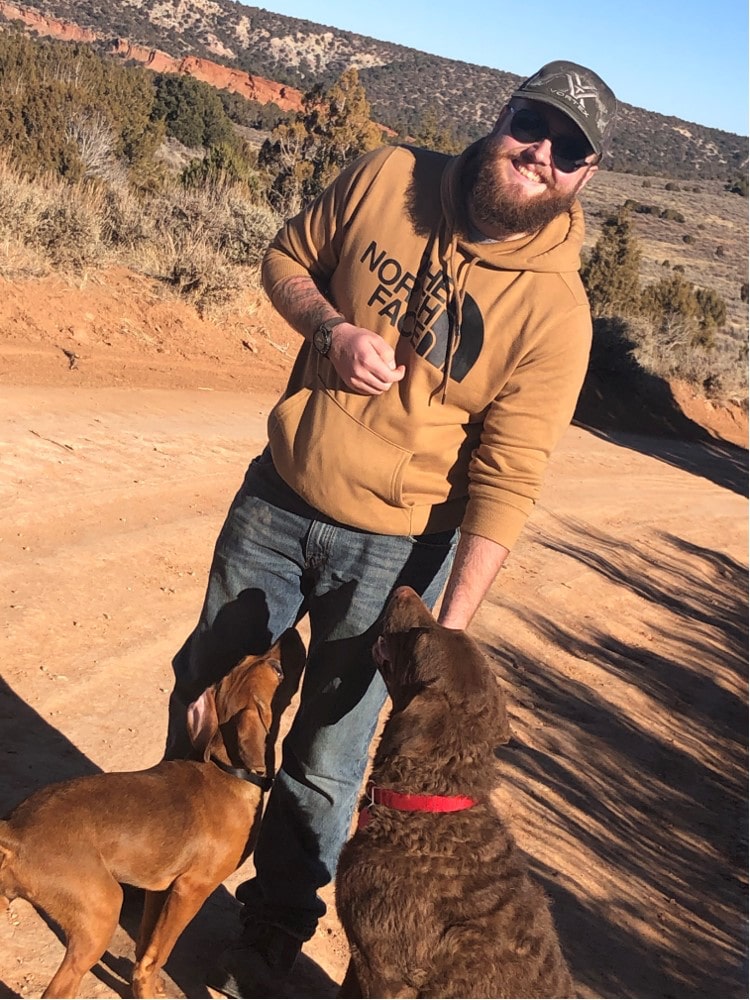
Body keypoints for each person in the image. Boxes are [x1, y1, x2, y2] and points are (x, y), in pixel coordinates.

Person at [164, 59, 617, 998]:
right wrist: (329, 330)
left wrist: (446, 633)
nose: (541, 152)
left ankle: (271, 930)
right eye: (532, 125)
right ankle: (162, 864)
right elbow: (285, 258)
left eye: (568, 148)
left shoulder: (556, 311)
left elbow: (508, 478)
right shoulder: (387, 176)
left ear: (586, 173)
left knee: (328, 756)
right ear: (502, 115)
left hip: (396, 548)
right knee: (206, 690)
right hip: (278, 495)